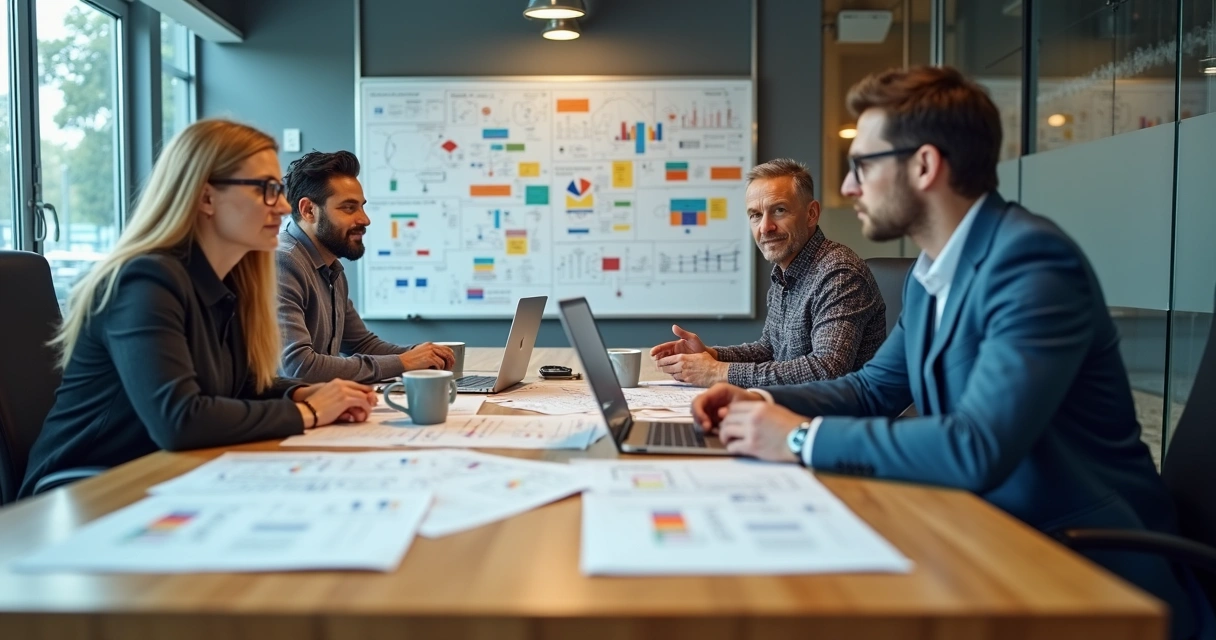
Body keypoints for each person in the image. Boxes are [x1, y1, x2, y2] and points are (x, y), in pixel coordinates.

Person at [691, 66, 1210, 640]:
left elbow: (978, 444)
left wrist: (796, 437)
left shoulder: (1031, 263)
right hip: (982, 532)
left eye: (863, 165)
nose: (847, 188)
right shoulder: (931, 272)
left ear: (924, 165)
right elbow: (872, 388)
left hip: (1084, 567)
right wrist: (755, 397)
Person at [20, 119, 376, 498]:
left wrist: (300, 394)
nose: (285, 205)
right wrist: (311, 412)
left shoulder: (232, 281)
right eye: (267, 190)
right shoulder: (141, 282)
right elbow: (180, 419)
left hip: (167, 478)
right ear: (206, 197)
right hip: (86, 494)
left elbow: (239, 386)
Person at [650, 158, 886, 387]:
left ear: (811, 214)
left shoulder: (839, 274)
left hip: (837, 421)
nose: (765, 227)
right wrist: (710, 355)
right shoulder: (784, 274)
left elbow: (826, 369)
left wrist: (717, 372)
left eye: (780, 210)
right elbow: (769, 350)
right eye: (755, 215)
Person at [276, 150, 454, 383]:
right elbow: (298, 367)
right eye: (349, 208)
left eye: (362, 206)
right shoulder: (282, 262)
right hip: (289, 411)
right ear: (309, 210)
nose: (365, 219)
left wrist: (421, 354)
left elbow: (361, 344)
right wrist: (405, 362)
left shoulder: (331, 268)